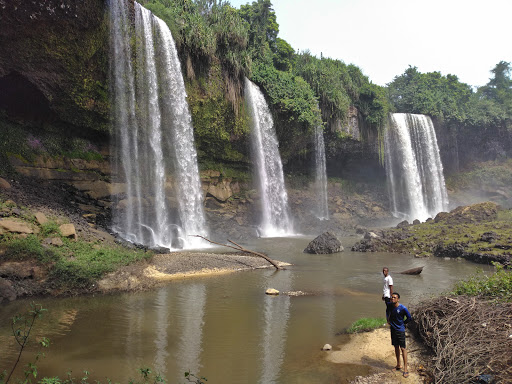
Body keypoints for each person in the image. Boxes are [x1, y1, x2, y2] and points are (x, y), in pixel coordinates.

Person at [387, 292, 412, 378]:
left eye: (394, 298)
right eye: (392, 298)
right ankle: (398, 365)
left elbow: (409, 318)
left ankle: (405, 369)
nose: (392, 299)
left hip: (400, 330)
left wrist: (403, 323)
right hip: (393, 330)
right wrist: (388, 319)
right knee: (396, 347)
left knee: (403, 348)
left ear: (398, 299)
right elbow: (387, 310)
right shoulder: (390, 305)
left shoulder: (402, 308)